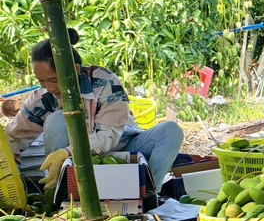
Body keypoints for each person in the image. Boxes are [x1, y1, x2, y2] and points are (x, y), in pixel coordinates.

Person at [3, 30, 184, 193]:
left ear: (73, 69)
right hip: (75, 165)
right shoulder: (42, 98)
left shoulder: (104, 82)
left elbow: (108, 134)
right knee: (56, 120)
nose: (48, 87)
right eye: (41, 81)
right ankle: (58, 194)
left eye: (53, 80)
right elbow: (13, 137)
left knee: (171, 130)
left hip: (122, 148)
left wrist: (66, 152)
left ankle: (151, 193)